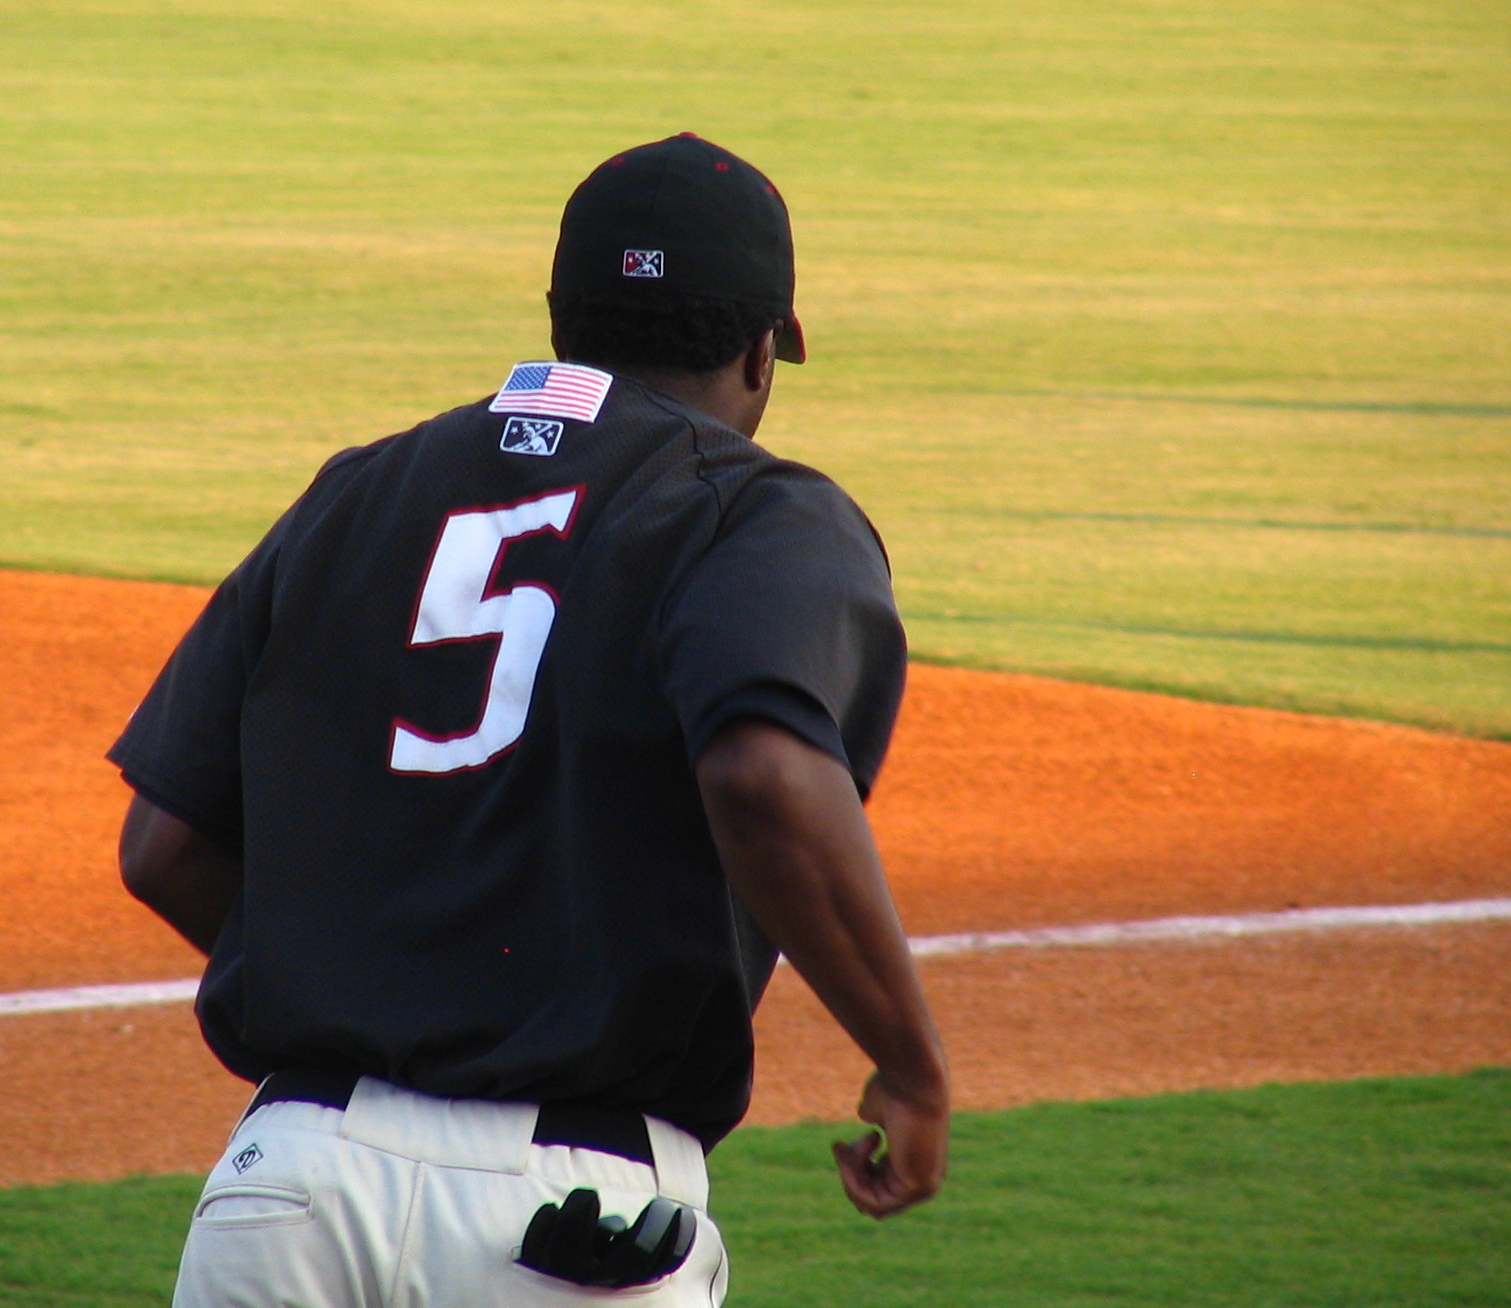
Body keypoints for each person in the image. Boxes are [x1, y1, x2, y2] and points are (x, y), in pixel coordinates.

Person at [111, 133, 949, 1308]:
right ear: (771, 348)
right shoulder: (758, 512)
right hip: (566, 1225)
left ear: (559, 317)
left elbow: (166, 848)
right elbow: (762, 777)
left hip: (282, 1189)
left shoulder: (357, 487)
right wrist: (909, 1065)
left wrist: (383, 986)